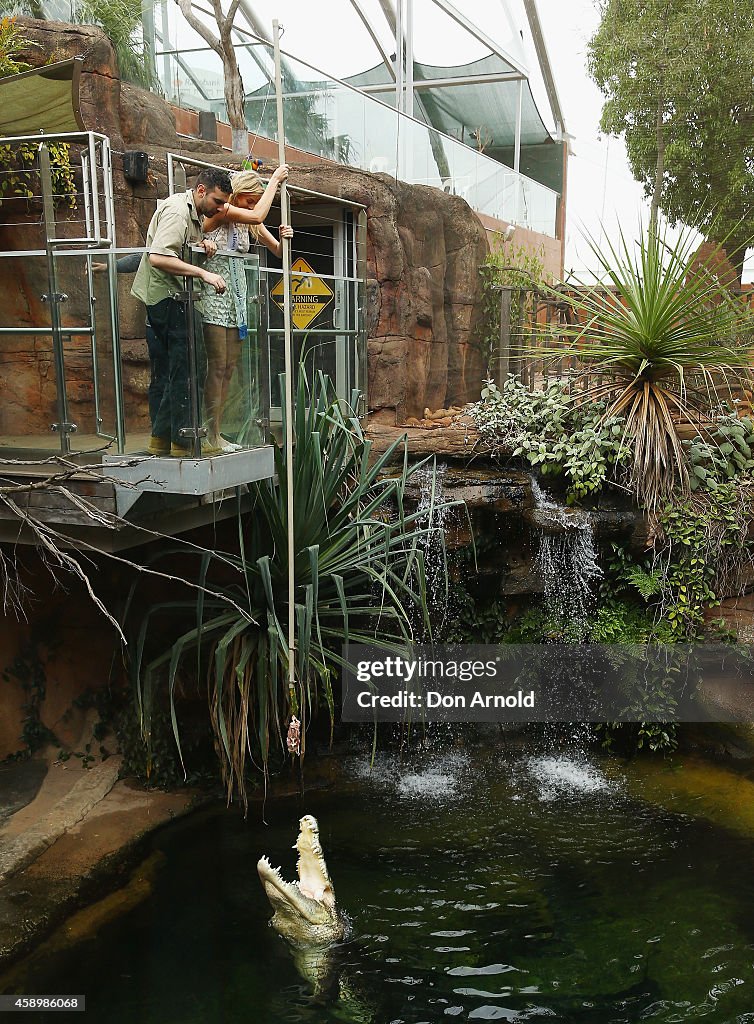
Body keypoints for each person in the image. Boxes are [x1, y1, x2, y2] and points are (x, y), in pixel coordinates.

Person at [131, 167, 231, 457]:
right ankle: (183, 441)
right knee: (188, 369)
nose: (221, 208)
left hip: (171, 296)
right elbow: (159, 256)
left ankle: (161, 439)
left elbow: (175, 248)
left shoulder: (191, 213)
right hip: (169, 297)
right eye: (218, 201)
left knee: (176, 370)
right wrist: (203, 273)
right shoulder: (177, 211)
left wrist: (202, 245)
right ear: (201, 191)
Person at [199, 165, 294, 452]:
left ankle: (217, 431)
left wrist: (285, 237)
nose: (252, 205)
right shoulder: (223, 210)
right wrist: (274, 181)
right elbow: (257, 214)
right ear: (237, 194)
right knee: (217, 365)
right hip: (214, 293)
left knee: (229, 368)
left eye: (256, 200)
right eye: (249, 199)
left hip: (237, 298)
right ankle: (208, 432)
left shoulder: (247, 221)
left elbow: (278, 251)